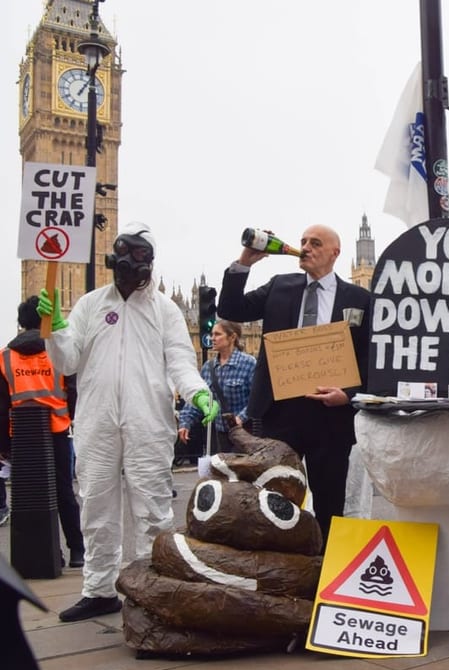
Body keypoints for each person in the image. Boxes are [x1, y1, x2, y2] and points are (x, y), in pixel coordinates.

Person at [38, 222, 219, 622]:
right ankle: (99, 589)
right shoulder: (90, 305)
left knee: (152, 510)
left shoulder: (165, 310)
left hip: (147, 422)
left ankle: (151, 589)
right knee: (96, 509)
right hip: (96, 422)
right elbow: (67, 361)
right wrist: (54, 331)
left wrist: (197, 392)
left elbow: (180, 361)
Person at [217, 223, 371, 542]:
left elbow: (370, 359)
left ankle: (325, 578)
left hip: (330, 417)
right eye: (302, 242)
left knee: (330, 505)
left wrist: (349, 395)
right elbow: (231, 309)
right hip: (279, 412)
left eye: (315, 243)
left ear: (335, 253)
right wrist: (245, 262)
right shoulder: (279, 286)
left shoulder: (360, 299)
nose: (306, 248)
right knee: (271, 501)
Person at [0, 296, 84, 566]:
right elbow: (73, 393)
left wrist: (4, 446)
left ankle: (48, 554)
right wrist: (68, 417)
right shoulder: (56, 352)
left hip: (21, 436)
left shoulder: (4, 358)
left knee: (30, 496)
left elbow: (1, 407)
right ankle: (77, 552)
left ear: (21, 323)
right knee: (64, 493)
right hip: (57, 431)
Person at [178, 319, 256, 454]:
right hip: (220, 437)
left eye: (217, 334)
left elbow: (257, 399)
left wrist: (241, 418)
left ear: (232, 337)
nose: (212, 338)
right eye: (212, 334)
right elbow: (198, 398)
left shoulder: (248, 363)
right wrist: (186, 422)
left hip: (245, 435)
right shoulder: (208, 367)